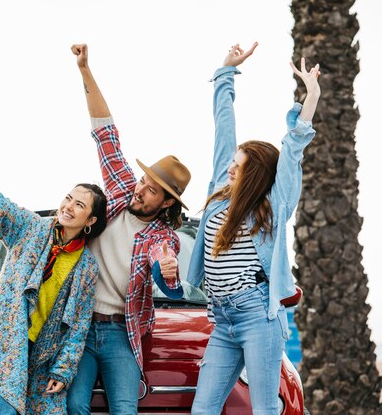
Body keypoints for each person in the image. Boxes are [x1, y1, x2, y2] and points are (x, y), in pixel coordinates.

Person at [183, 43, 321, 414]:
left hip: (257, 314)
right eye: (232, 162)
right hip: (222, 317)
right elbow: (223, 127)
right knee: (203, 410)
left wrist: (311, 97)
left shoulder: (273, 206)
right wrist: (225, 73)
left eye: (239, 165)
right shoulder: (218, 193)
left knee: (265, 409)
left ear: (255, 173)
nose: (230, 167)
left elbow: (292, 151)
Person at [67, 43, 192, 415]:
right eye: (143, 181)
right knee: (73, 404)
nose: (141, 189)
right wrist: (85, 70)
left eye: (152, 190)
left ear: (166, 203)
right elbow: (106, 135)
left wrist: (168, 273)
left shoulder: (162, 238)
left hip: (122, 332)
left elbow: (165, 269)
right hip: (79, 327)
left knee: (125, 409)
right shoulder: (121, 192)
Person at [0, 134, 108, 415]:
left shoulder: (86, 266)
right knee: (6, 411)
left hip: (43, 357)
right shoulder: (31, 228)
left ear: (91, 221)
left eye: (79, 205)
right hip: (8, 341)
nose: (68, 207)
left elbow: (79, 324)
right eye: (68, 199)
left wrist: (63, 370)